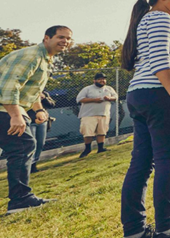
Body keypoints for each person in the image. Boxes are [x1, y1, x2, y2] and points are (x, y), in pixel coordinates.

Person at [119, 0, 170, 238]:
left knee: (140, 164)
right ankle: (166, 227)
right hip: (159, 94)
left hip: (138, 95)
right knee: (166, 160)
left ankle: (134, 231)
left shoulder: (145, 20)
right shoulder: (161, 18)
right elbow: (161, 60)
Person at [0, 25, 71, 214]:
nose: (65, 41)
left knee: (22, 146)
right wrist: (16, 115)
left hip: (9, 108)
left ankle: (21, 199)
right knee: (23, 145)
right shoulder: (32, 56)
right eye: (60, 37)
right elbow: (9, 86)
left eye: (68, 38)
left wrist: (38, 109)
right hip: (4, 109)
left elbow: (32, 89)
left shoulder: (45, 59)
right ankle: (20, 200)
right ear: (47, 38)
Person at [76, 72, 118, 158]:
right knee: (88, 133)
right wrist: (94, 100)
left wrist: (109, 98)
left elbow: (115, 97)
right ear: (94, 80)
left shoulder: (109, 88)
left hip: (104, 114)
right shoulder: (87, 89)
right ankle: (87, 149)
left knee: (102, 132)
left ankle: (100, 148)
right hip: (89, 115)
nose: (102, 81)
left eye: (104, 79)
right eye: (99, 79)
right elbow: (80, 99)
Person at [27, 91, 56, 173]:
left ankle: (34, 164)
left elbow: (51, 104)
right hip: (30, 121)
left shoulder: (44, 93)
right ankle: (29, 165)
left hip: (42, 121)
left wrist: (44, 98)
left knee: (40, 143)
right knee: (32, 144)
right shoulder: (25, 91)